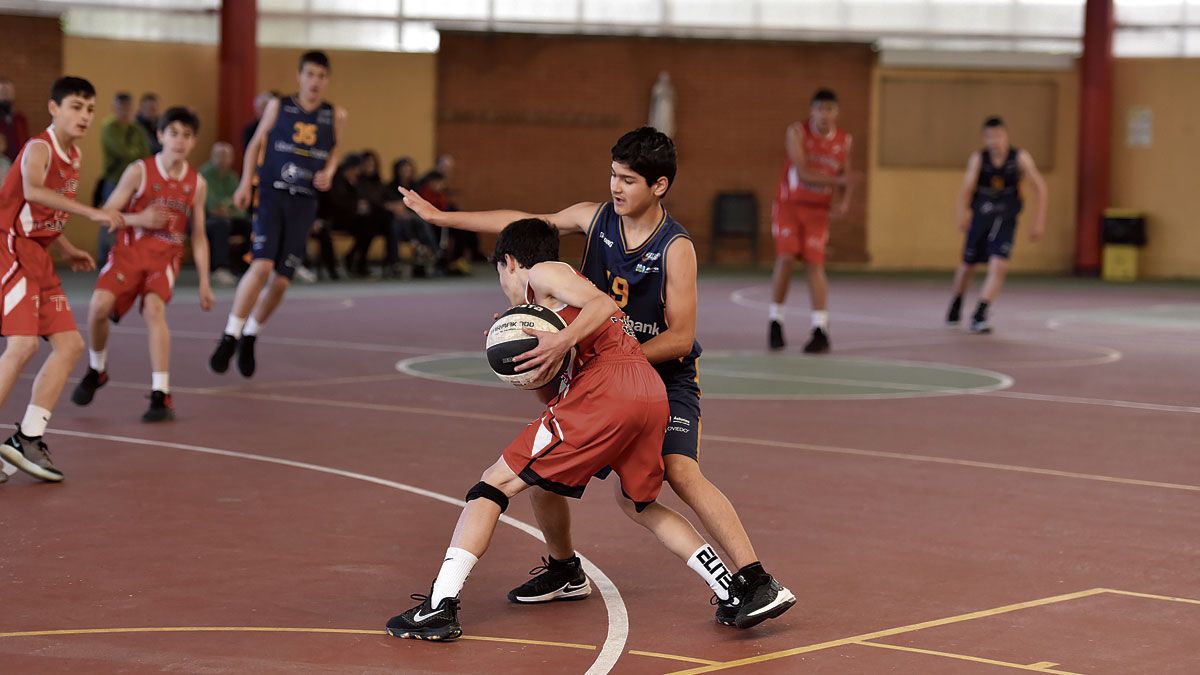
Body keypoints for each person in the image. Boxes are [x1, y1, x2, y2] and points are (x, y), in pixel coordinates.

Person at [399, 127, 794, 629]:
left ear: (659, 186)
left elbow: (681, 336)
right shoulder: (594, 218)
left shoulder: (675, 248)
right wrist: (442, 217)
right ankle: (565, 571)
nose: (615, 187)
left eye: (628, 179)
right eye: (613, 174)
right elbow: (523, 225)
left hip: (662, 374)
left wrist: (603, 355)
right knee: (564, 484)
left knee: (679, 472)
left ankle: (756, 579)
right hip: (611, 372)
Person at [386, 218, 735, 640]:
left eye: (499, 274)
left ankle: (440, 605)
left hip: (608, 394)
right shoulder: (550, 309)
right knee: (631, 503)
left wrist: (560, 340)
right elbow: (553, 392)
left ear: (509, 263)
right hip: (646, 392)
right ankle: (728, 587)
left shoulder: (544, 272)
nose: (503, 284)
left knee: (492, 485)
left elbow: (606, 305)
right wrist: (527, 362)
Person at [0, 77, 125, 485]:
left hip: (39, 254)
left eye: (90, 108)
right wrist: (91, 213)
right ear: (54, 108)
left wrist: (66, 246)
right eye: (75, 106)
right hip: (12, 249)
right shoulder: (39, 147)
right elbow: (33, 190)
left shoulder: (75, 155)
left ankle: (27, 438)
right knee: (21, 346)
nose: (84, 115)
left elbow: (45, 214)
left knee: (70, 346)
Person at [71, 106, 215, 421]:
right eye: (173, 133)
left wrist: (205, 281)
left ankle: (160, 394)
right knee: (97, 308)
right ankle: (97, 368)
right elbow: (107, 214)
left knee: (154, 310)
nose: (179, 140)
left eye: (187, 135)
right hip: (129, 252)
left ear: (194, 142)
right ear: (160, 135)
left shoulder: (197, 184)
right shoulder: (140, 171)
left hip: (165, 258)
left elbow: (200, 236)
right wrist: (142, 218)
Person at [209, 51, 345, 378]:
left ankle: (251, 334)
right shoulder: (279, 106)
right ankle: (230, 334)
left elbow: (337, 148)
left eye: (321, 76)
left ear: (327, 80)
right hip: (272, 194)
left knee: (282, 281)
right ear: (299, 76)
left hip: (305, 201)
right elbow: (256, 143)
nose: (315, 81)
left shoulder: (334, 114)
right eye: (310, 74)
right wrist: (245, 183)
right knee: (261, 266)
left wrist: (330, 169)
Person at [768, 88, 853, 354]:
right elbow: (803, 173)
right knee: (787, 258)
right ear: (812, 111)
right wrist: (838, 182)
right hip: (789, 206)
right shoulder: (797, 132)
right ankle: (775, 321)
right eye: (820, 109)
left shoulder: (844, 141)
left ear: (836, 113)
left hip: (818, 210)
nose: (825, 114)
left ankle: (820, 328)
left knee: (815, 264)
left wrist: (843, 201)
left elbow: (846, 176)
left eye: (830, 109)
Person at [98, 91, 150, 262]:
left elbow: (145, 153)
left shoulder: (137, 129)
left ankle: (128, 256)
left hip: (135, 182)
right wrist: (133, 153)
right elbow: (120, 151)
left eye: (128, 108)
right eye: (121, 108)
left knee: (132, 217)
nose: (125, 111)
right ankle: (105, 258)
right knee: (109, 217)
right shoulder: (109, 127)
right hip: (114, 179)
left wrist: (133, 153)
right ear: (114, 108)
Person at [199, 141, 248, 286]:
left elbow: (240, 206)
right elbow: (210, 206)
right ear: (212, 156)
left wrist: (227, 209)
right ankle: (219, 268)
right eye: (220, 156)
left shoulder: (233, 177)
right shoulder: (204, 174)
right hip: (205, 220)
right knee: (221, 225)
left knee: (250, 225)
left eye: (227, 156)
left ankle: (244, 265)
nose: (223, 160)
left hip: (229, 218)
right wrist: (226, 207)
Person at [0, 76, 30, 163]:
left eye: (8, 92)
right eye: (2, 92)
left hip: (19, 163)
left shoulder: (20, 119)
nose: (6, 96)